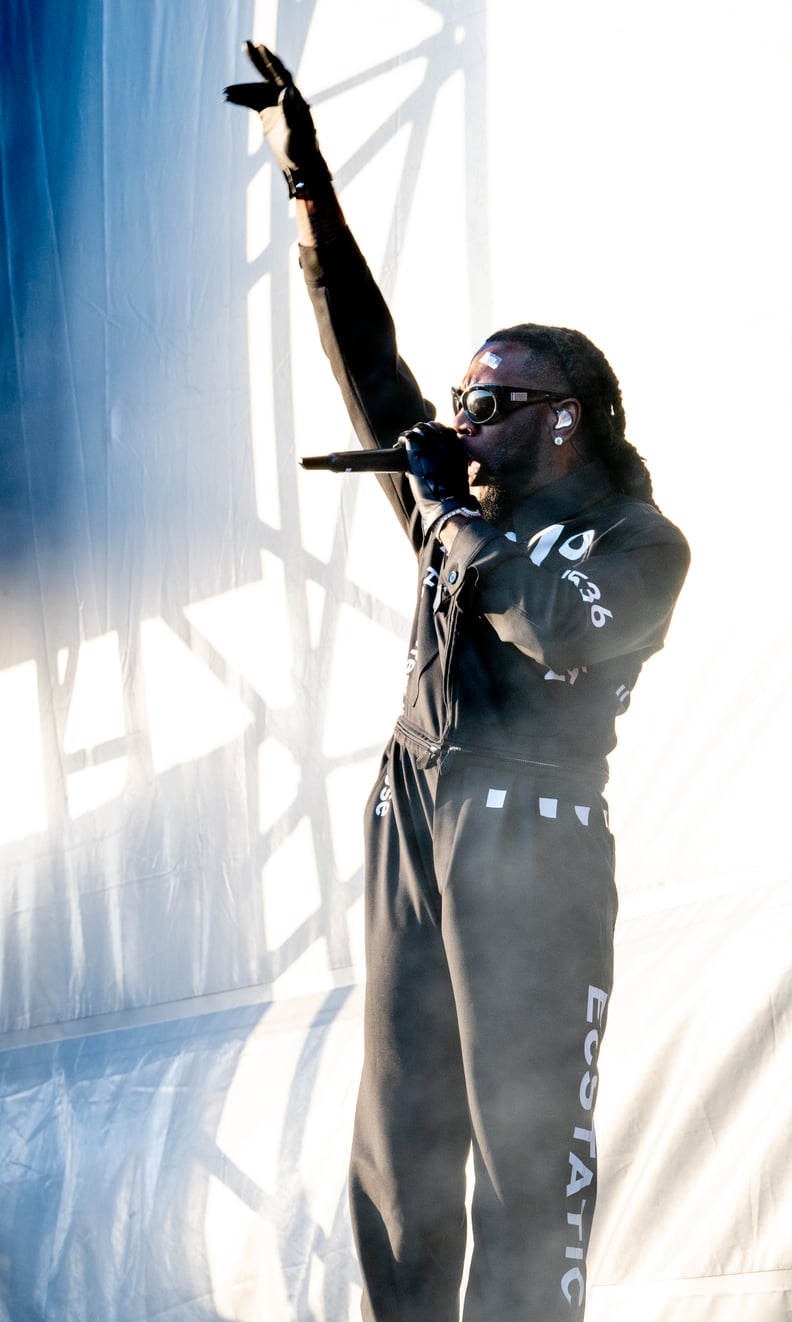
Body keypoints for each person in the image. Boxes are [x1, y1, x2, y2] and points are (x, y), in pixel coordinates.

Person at [226, 45, 690, 1322]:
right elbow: (365, 358)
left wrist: (440, 506)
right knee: (397, 1153)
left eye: (493, 399)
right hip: (411, 817)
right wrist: (309, 184)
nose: (461, 415)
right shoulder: (450, 513)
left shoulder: (635, 542)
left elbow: (555, 630)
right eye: (462, 396)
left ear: (567, 418)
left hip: (530, 839)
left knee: (526, 1165)